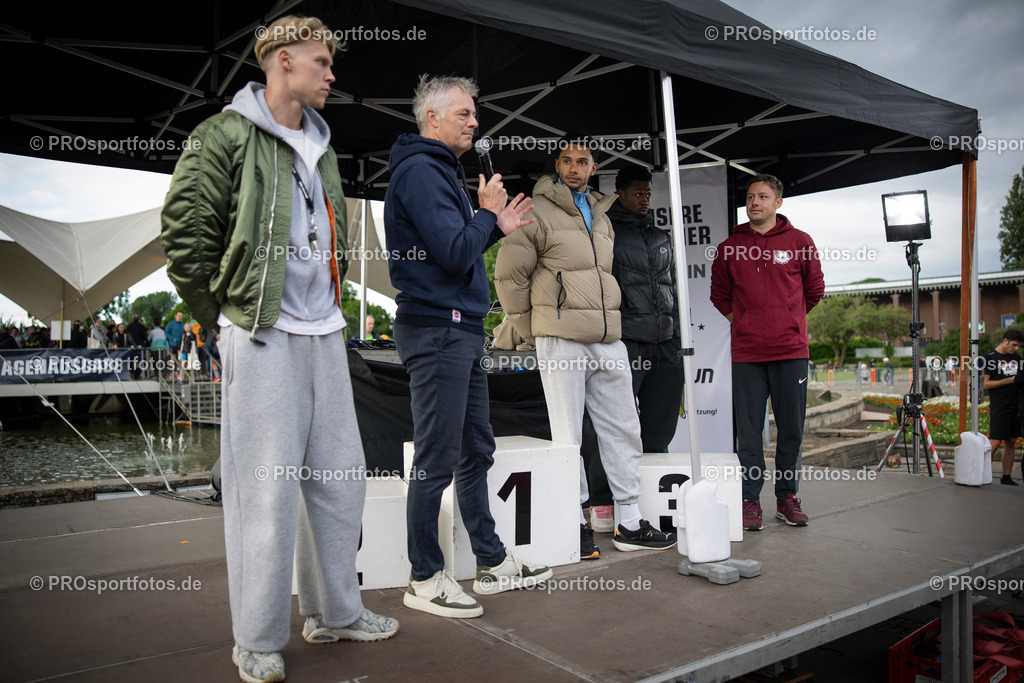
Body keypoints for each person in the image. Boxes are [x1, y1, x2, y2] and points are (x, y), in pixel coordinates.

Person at [161, 16, 397, 682]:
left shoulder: (321, 144)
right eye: (322, 62)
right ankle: (256, 637)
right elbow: (184, 232)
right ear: (284, 61)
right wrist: (223, 315)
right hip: (260, 329)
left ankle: (335, 612)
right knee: (263, 490)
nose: (331, 74)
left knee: (341, 476)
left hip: (323, 332)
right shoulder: (224, 133)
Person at [384, 74, 549, 619]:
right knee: (435, 456)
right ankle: (424, 577)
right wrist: (486, 217)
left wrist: (492, 223)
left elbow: (457, 249)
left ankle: (490, 561)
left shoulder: (442, 173)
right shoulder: (422, 172)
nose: (475, 122)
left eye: (474, 114)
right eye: (464, 114)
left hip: (459, 328)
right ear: (432, 119)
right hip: (437, 330)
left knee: (474, 449)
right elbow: (456, 254)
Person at [495, 134, 677, 561]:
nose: (575, 167)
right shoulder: (534, 210)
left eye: (583, 161)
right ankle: (573, 524)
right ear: (556, 166)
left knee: (623, 427)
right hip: (560, 336)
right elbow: (508, 277)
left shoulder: (602, 214)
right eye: (567, 161)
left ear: (595, 168)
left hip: (606, 336)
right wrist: (531, 330)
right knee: (568, 436)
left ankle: (629, 522)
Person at [710, 173, 825, 531]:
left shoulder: (800, 241)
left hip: (791, 352)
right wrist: (745, 322)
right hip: (747, 355)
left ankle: (787, 497)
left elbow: (815, 289)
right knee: (749, 433)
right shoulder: (730, 247)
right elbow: (719, 295)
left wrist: (787, 321)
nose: (754, 202)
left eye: (762, 196)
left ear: (778, 202)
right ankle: (749, 501)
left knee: (791, 429)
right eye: (750, 197)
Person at [582, 165, 683, 532]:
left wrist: (676, 339)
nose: (644, 199)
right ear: (620, 193)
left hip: (665, 343)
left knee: (659, 429)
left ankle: (652, 501)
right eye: (638, 193)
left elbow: (672, 291)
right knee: (614, 427)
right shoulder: (605, 231)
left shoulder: (661, 236)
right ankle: (602, 501)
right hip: (626, 342)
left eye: (648, 194)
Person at [982, 328, 1024, 485]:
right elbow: (985, 383)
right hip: (999, 405)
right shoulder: (990, 358)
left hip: (1015, 405)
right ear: (1005, 341)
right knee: (994, 443)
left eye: (1018, 346)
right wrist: (1009, 380)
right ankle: (984, 474)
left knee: (1011, 441)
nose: (1016, 348)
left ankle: (1006, 477)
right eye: (1014, 345)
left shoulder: (1017, 357)